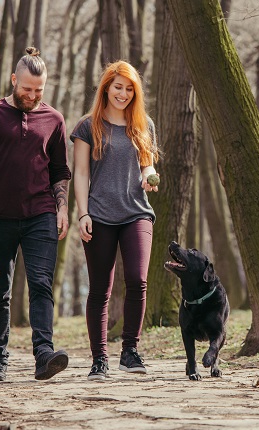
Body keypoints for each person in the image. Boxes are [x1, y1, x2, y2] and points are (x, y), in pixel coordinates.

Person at [0, 47, 71, 382]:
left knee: (40, 284)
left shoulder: (54, 119)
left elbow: (60, 170)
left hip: (41, 215)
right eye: (26, 89)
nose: (33, 96)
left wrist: (62, 207)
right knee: (0, 290)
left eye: (39, 90)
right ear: (13, 80)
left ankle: (44, 355)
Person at [71, 60, 159, 380]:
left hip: (136, 211)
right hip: (100, 215)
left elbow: (146, 165)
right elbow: (80, 173)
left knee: (137, 279)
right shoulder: (87, 126)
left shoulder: (143, 124)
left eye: (129, 88)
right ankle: (100, 359)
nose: (123, 93)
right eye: (117, 86)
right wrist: (82, 213)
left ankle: (130, 350)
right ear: (106, 87)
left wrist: (150, 177)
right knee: (100, 290)